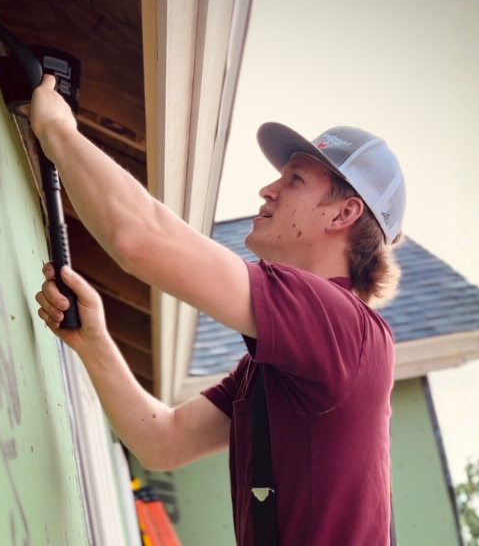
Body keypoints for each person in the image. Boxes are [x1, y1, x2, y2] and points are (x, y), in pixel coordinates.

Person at [31, 75, 406, 546]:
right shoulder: (281, 365)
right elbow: (163, 442)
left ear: (342, 214)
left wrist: (57, 131)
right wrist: (95, 342)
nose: (268, 190)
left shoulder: (342, 325)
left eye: (294, 180)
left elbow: (140, 238)